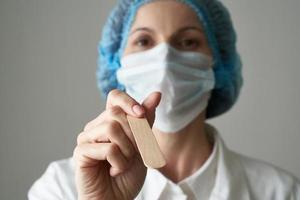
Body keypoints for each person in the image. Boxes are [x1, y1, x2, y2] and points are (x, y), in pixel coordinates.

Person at [28, 0, 300, 199]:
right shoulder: (64, 186)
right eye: (144, 41)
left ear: (217, 64)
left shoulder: (280, 192)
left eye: (189, 42)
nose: (165, 57)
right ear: (117, 64)